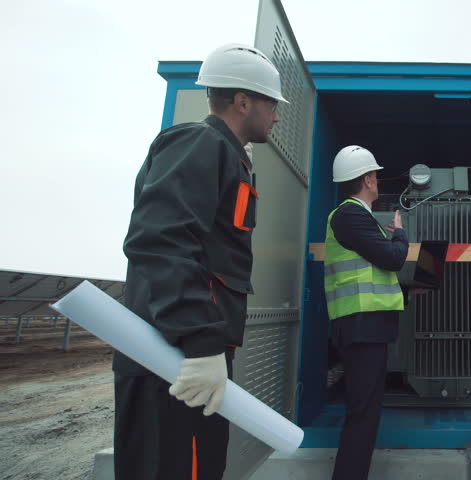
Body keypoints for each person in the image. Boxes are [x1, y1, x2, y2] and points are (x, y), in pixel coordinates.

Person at [114, 43, 286, 479]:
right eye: (272, 105)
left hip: (191, 359)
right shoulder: (199, 143)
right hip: (172, 361)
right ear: (243, 101)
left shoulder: (228, 155)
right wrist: (201, 342)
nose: (277, 116)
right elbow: (161, 242)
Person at [323, 145, 409, 480]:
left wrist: (405, 290)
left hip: (367, 327)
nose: (378, 180)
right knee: (362, 415)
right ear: (368, 179)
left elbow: (374, 270)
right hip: (362, 328)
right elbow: (393, 258)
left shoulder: (357, 217)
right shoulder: (350, 215)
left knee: (366, 413)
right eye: (376, 174)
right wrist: (399, 233)